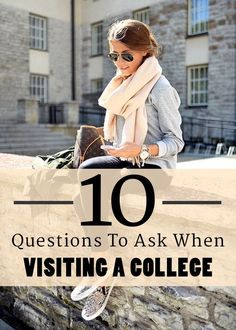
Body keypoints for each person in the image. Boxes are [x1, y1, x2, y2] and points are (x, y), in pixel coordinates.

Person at [71, 18, 184, 321]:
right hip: (128, 159)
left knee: (97, 193)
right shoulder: (123, 84)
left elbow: (177, 141)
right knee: (88, 173)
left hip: (155, 166)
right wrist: (121, 148)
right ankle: (105, 264)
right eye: (114, 55)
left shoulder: (160, 89)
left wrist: (144, 150)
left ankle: (102, 275)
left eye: (126, 56)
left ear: (145, 53)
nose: (119, 63)